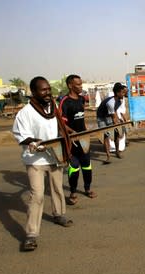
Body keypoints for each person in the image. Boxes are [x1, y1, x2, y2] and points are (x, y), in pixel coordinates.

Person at [12, 76, 73, 251]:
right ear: (34, 92)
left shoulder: (52, 108)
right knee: (37, 195)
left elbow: (59, 128)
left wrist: (69, 135)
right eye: (43, 90)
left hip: (54, 155)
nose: (48, 92)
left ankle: (59, 215)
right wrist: (33, 143)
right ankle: (31, 235)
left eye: (49, 89)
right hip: (35, 159)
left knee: (57, 188)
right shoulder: (26, 112)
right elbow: (21, 134)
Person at [59, 74, 96, 205]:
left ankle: (87, 188)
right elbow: (61, 124)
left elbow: (81, 118)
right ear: (70, 85)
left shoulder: (81, 99)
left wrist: (85, 132)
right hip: (71, 141)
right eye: (78, 84)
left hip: (83, 139)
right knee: (74, 168)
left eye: (81, 84)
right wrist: (73, 133)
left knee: (87, 166)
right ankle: (73, 191)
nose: (81, 86)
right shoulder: (65, 101)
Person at [96, 82, 126, 163]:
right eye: (122, 92)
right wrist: (119, 126)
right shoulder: (111, 102)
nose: (124, 94)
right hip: (101, 117)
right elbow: (113, 118)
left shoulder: (120, 100)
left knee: (116, 133)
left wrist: (121, 121)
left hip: (109, 115)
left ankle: (117, 152)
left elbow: (115, 112)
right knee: (106, 136)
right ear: (117, 93)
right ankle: (108, 156)